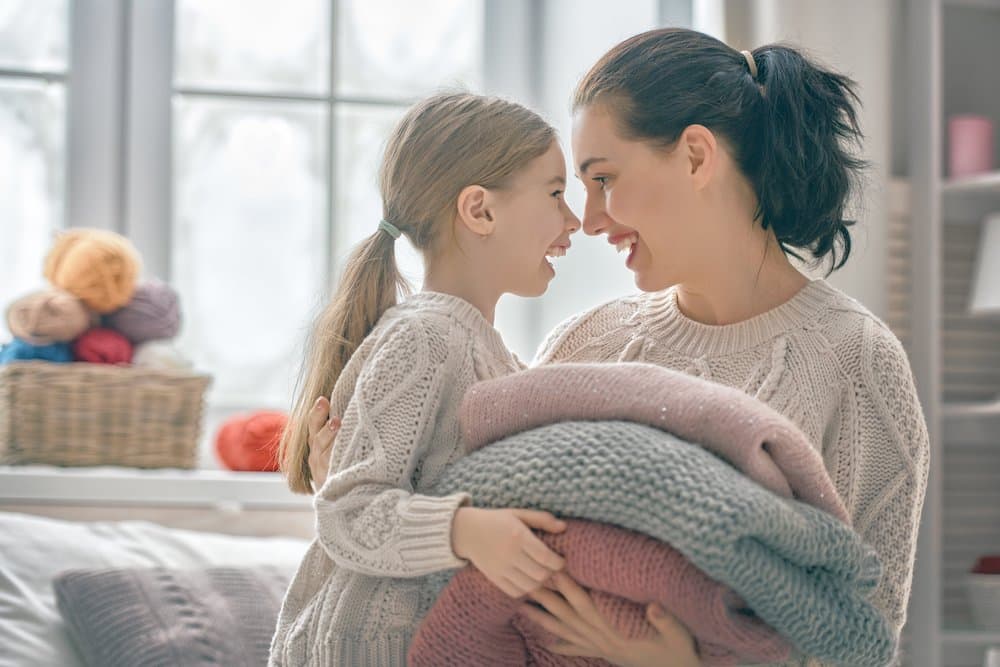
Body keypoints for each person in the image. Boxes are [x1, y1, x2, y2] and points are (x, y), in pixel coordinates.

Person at [307, 28, 930, 667]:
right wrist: (350, 478)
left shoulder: (856, 363)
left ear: (694, 156)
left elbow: (859, 637)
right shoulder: (585, 343)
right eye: (573, 190)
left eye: (603, 179)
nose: (590, 219)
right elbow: (476, 533)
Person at [269, 91, 581, 666]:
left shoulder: (490, 355)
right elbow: (348, 510)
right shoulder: (425, 339)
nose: (575, 221)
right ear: (480, 210)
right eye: (557, 195)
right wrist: (465, 531)